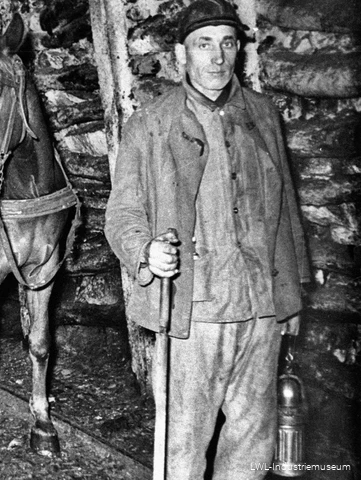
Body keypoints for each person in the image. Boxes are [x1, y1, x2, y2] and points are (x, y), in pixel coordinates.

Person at [104, 0, 311, 478]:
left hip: (261, 305)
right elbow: (123, 213)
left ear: (238, 50)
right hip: (194, 310)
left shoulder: (263, 114)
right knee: (182, 442)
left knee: (253, 439)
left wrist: (292, 294)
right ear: (181, 54)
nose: (217, 57)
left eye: (227, 43)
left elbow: (287, 208)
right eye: (203, 45)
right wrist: (146, 251)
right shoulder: (151, 124)